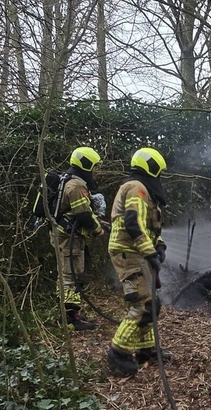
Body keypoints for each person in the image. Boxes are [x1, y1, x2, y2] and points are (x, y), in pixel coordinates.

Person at [105, 147, 169, 375]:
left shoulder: (142, 190)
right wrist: (150, 252)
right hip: (129, 252)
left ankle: (146, 350)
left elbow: (147, 225)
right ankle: (117, 353)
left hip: (136, 251)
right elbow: (133, 224)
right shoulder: (136, 188)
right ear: (151, 168)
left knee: (151, 304)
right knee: (143, 304)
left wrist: (158, 244)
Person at [50, 146, 105, 331]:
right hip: (69, 238)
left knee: (67, 275)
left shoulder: (70, 180)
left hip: (65, 235)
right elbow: (83, 215)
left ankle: (70, 314)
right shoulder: (76, 185)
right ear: (86, 164)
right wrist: (98, 229)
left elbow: (78, 212)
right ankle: (71, 320)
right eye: (94, 165)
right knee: (71, 276)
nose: (95, 169)